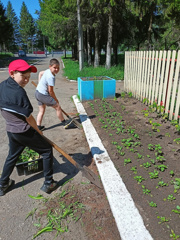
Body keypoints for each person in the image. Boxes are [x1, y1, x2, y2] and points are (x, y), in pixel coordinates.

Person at [0, 59, 57, 196]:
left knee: (12, 156)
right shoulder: (19, 93)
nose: (26, 81)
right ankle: (49, 183)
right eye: (23, 77)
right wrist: (38, 131)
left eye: (28, 78)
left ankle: (2, 185)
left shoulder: (2, 86)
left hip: (11, 130)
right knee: (47, 150)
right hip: (23, 131)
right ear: (12, 73)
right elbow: (29, 118)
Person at [35, 58, 74, 130]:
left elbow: (40, 73)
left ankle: (38, 127)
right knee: (58, 107)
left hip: (38, 92)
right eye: (54, 67)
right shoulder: (51, 77)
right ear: (50, 66)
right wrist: (56, 100)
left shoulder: (47, 71)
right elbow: (51, 92)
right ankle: (64, 123)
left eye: (58, 68)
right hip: (43, 95)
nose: (56, 69)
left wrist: (39, 84)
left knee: (41, 110)